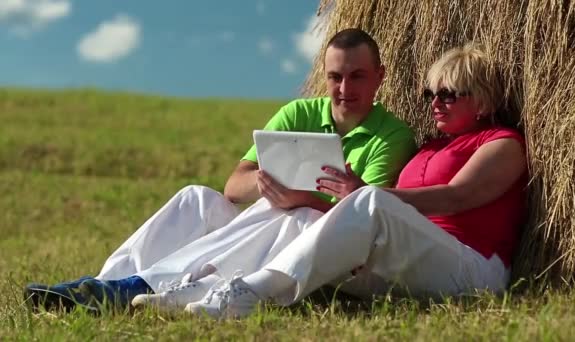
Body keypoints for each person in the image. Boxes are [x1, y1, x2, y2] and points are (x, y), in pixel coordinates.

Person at [24, 28, 417, 312]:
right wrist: (265, 186)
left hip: (319, 256)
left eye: (357, 76)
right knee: (198, 197)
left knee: (296, 214)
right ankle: (104, 285)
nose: (344, 88)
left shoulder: (393, 136)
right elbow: (234, 187)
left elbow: (363, 223)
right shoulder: (299, 114)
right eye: (335, 77)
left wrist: (301, 198)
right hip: (266, 230)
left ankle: (139, 288)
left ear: (380, 76)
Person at [181, 43, 528, 319]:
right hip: (413, 268)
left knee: (369, 201)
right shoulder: (429, 148)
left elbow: (456, 197)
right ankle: (208, 284)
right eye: (430, 95)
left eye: (449, 94)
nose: (435, 103)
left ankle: (251, 292)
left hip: (471, 271)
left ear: (481, 100)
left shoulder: (502, 143)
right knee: (301, 216)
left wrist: (367, 196)